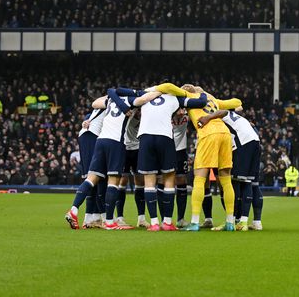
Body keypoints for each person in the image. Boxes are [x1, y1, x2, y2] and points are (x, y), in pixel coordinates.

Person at [146, 82, 243, 232]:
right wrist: (211, 98)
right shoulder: (212, 99)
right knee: (226, 180)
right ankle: (230, 222)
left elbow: (168, 86)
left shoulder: (190, 96)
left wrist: (150, 90)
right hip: (225, 134)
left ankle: (195, 222)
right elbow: (237, 102)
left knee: (199, 179)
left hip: (208, 134)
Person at [65, 88, 134, 231]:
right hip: (94, 136)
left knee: (94, 179)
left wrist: (86, 120)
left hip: (89, 136)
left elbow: (94, 108)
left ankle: (90, 218)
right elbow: (97, 103)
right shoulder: (114, 101)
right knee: (98, 179)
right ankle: (103, 219)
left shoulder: (108, 102)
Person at [223, 109, 263, 231]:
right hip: (255, 142)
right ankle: (254, 222)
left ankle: (235, 221)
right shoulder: (240, 118)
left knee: (237, 182)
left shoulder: (219, 115)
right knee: (252, 183)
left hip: (243, 144)